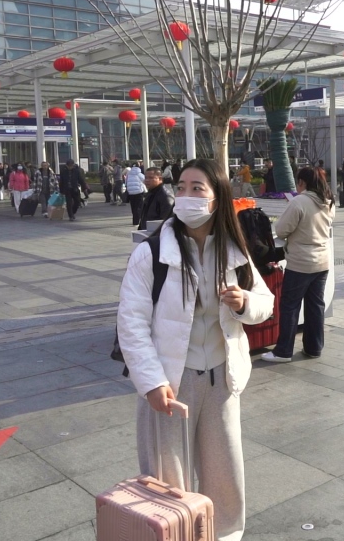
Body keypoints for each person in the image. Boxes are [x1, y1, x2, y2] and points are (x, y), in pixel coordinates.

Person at [116, 159, 273, 541]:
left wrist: (244, 303)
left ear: (217, 198)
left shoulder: (234, 250)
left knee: (225, 474)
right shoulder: (152, 253)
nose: (186, 195)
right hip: (172, 382)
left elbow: (265, 303)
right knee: (168, 478)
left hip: (222, 379)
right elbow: (131, 323)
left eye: (197, 188)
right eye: (182, 187)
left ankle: (225, 535)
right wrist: (152, 382)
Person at [260, 166, 335, 363]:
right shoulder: (328, 200)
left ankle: (283, 351)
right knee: (315, 305)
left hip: (301, 262)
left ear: (302, 182)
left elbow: (281, 230)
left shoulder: (300, 202)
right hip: (322, 261)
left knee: (290, 306)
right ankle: (314, 348)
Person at [139, 166, 175, 231]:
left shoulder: (165, 196)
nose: (147, 180)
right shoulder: (150, 193)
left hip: (158, 233)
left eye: (151, 178)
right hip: (148, 232)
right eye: (146, 177)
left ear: (160, 179)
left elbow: (168, 221)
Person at [125, 161, 147, 225]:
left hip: (130, 193)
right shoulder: (139, 173)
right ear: (138, 166)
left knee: (133, 206)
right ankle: (137, 221)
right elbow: (145, 180)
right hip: (138, 192)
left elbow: (126, 183)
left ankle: (135, 220)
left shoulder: (128, 174)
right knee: (139, 207)